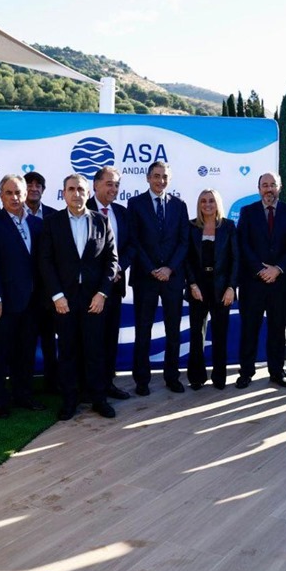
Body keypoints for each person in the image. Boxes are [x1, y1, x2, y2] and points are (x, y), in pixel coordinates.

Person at [38, 173, 119, 420]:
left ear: (88, 192)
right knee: (69, 351)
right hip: (65, 301)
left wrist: (103, 293)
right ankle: (70, 400)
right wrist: (57, 295)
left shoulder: (101, 221)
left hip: (94, 300)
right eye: (71, 189)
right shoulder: (52, 223)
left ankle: (98, 399)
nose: (77, 193)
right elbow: (45, 262)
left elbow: (112, 261)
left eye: (81, 189)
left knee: (95, 351)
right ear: (64, 193)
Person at [0, 174, 46, 418]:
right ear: (1, 196)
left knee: (25, 351)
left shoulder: (38, 224)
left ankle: (23, 395)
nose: (15, 197)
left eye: (19, 192)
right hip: (2, 302)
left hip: (31, 302)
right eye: (9, 193)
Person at [127, 161, 190, 395]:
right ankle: (141, 380)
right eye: (156, 176)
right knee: (143, 330)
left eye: (164, 177)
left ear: (169, 179)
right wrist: (153, 268)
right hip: (145, 277)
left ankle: (172, 377)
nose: (160, 180)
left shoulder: (180, 205)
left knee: (173, 330)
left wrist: (169, 268)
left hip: (172, 278)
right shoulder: (135, 204)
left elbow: (184, 242)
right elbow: (134, 240)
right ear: (147, 178)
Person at [237, 172, 286, 388]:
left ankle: (276, 372)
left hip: (280, 282)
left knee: (277, 329)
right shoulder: (247, 212)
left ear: (279, 187)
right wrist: (260, 270)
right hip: (253, 282)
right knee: (250, 329)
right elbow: (243, 245)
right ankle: (246, 372)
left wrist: (278, 269)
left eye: (273, 185)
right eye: (265, 185)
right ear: (258, 189)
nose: (269, 189)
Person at [86, 166, 133, 400]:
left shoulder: (122, 213)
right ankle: (91, 388)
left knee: (110, 338)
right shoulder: (83, 210)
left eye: (116, 184)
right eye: (109, 183)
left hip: (115, 288)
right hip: (91, 291)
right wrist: (105, 273)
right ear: (95, 185)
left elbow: (130, 246)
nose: (113, 188)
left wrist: (118, 268)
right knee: (91, 341)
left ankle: (108, 384)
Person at [185, 189, 239, 390]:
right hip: (198, 287)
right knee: (196, 335)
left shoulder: (228, 227)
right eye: (203, 201)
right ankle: (197, 377)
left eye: (211, 201)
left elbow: (236, 260)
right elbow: (187, 259)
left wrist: (231, 287)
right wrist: (192, 284)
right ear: (199, 204)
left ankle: (219, 377)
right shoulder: (191, 227)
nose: (207, 204)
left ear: (218, 204)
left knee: (220, 334)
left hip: (222, 287)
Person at [25, 169, 60, 392]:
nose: (34, 188)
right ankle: (25, 386)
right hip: (24, 291)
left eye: (39, 185)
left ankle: (53, 383)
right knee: (25, 342)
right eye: (30, 184)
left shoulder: (54, 216)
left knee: (50, 339)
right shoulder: (13, 214)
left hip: (49, 292)